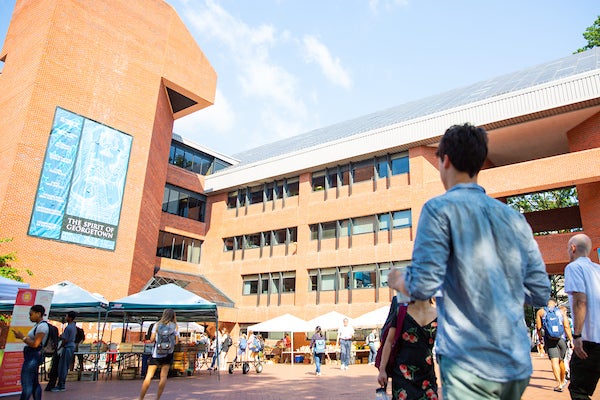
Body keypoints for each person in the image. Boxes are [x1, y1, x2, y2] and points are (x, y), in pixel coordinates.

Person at [387, 123, 550, 399]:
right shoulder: (514, 219)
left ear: (445, 160)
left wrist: (398, 279)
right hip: (515, 363)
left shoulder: (438, 210)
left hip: (469, 364)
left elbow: (424, 285)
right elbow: (540, 292)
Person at [377, 297, 438, 400]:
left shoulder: (440, 315)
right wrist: (382, 369)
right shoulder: (401, 312)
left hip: (427, 374)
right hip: (402, 374)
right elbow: (389, 341)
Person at [564, 233, 600, 400]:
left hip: (589, 339)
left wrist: (577, 335)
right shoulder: (598, 269)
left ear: (572, 248)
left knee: (578, 390)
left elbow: (580, 301)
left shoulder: (573, 267)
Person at [139, 309, 179, 400]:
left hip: (157, 353)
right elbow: (176, 341)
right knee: (163, 376)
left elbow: (152, 339)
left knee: (148, 376)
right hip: (168, 353)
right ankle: (157, 398)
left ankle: (141, 398)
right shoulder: (175, 326)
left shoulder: (156, 325)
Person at [536, 299, 573, 392]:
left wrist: (540, 338)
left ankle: (559, 384)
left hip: (549, 339)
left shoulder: (540, 312)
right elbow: (566, 326)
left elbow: (539, 327)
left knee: (554, 361)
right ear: (555, 303)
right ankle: (562, 380)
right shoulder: (560, 311)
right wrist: (571, 339)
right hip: (561, 339)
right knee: (561, 361)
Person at [12, 304, 48, 400]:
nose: (30, 317)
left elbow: (35, 344)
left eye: (31, 314)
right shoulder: (38, 326)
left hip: (33, 357)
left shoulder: (42, 327)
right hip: (32, 356)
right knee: (34, 383)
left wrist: (22, 337)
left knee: (27, 383)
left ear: (38, 314)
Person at [51, 311, 77, 392]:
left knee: (62, 367)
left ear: (69, 317)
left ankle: (61, 385)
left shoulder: (68, 327)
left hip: (67, 347)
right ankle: (61, 384)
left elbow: (65, 340)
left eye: (66, 316)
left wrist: (59, 347)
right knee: (64, 366)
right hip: (71, 347)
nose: (65, 317)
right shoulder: (73, 327)